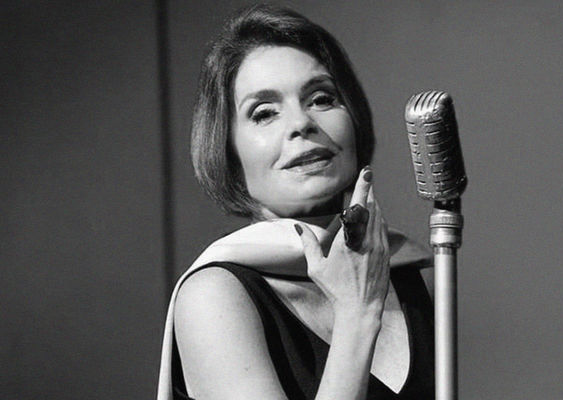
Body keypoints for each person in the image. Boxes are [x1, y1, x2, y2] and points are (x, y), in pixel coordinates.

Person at [157, 4, 434, 400]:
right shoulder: (213, 296)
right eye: (264, 113)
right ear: (228, 153)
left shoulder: (409, 272)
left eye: (321, 98)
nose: (302, 123)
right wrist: (357, 313)